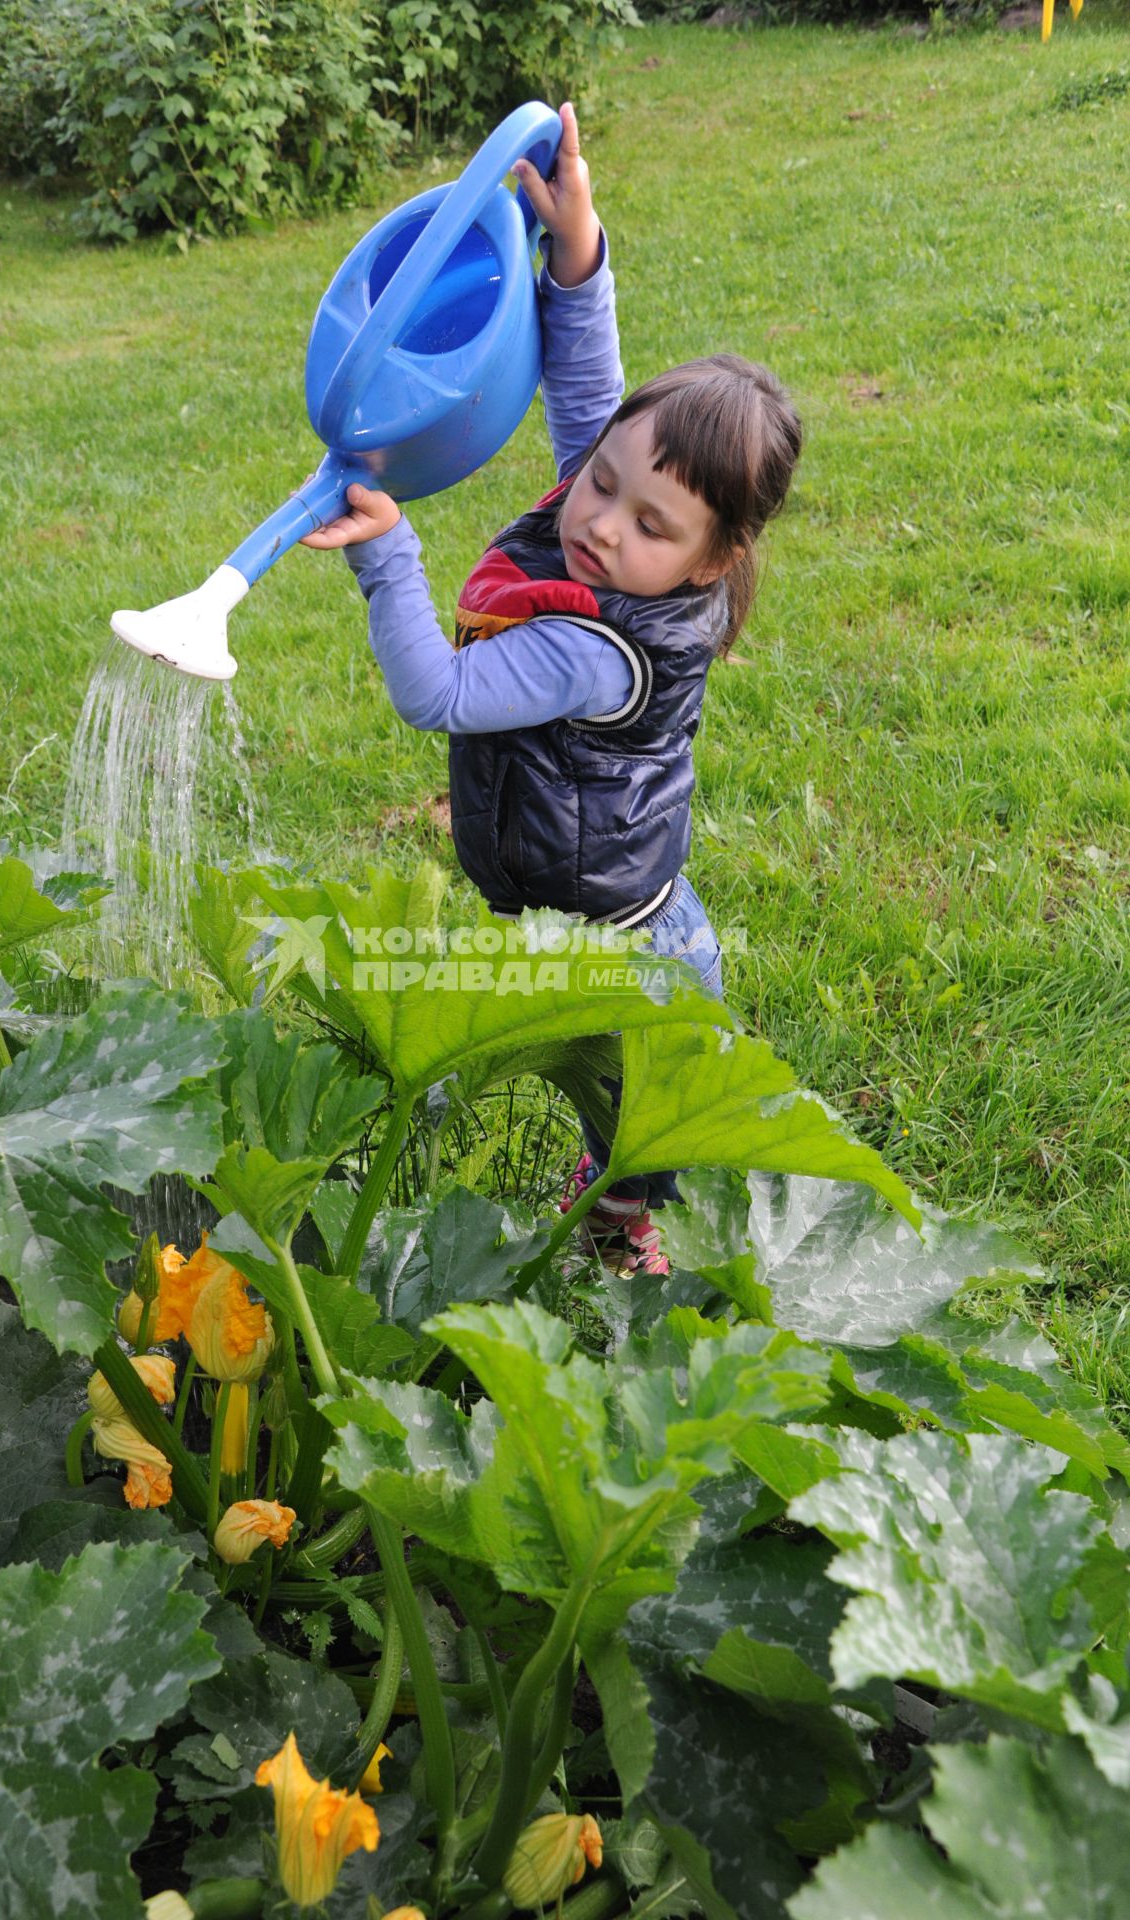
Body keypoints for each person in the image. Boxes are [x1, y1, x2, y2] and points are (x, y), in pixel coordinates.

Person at [301, 103, 802, 1276]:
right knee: (611, 1119)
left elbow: (433, 689)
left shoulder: (590, 648)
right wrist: (575, 248)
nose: (598, 520)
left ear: (712, 562)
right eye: (603, 482)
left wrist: (387, 552)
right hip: (600, 904)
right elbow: (591, 389)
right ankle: (624, 1204)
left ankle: (638, 1240)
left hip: (627, 944)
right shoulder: (615, 525)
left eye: (648, 522)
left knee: (636, 1142)